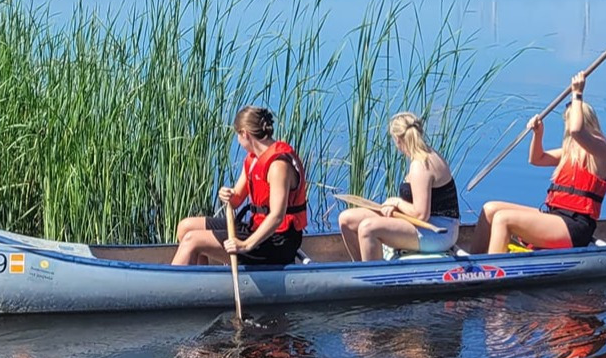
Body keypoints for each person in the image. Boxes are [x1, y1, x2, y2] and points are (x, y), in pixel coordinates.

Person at [481, 70, 606, 254]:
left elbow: (577, 131)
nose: (567, 127)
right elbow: (536, 159)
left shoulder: (601, 151)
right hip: (555, 216)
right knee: (490, 210)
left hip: (575, 226)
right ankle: (475, 263)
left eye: (568, 121)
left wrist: (577, 94)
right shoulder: (571, 153)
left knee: (503, 219)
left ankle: (492, 270)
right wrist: (538, 134)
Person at [171, 106, 308, 267]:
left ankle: (170, 282)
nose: (238, 140)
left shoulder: (278, 166)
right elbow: (236, 200)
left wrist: (245, 245)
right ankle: (202, 277)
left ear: (244, 133)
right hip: (255, 227)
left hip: (277, 240)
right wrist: (227, 194)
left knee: (192, 240)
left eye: (237, 134)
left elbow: (277, 216)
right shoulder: (254, 159)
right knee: (186, 227)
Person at [337, 111, 461, 262]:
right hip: (421, 224)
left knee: (368, 229)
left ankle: (375, 274)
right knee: (347, 220)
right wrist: (396, 207)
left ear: (397, 139)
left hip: (439, 232)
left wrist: (397, 202)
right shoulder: (425, 155)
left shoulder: (421, 165)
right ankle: (360, 267)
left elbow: (421, 215)